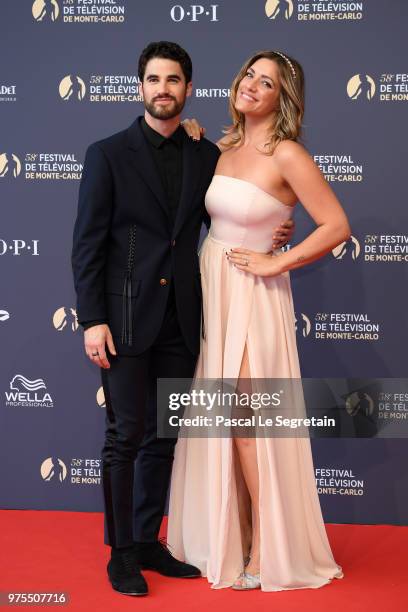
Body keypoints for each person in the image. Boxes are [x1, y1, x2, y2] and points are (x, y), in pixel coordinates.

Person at [71, 41, 294, 597]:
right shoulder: (108, 153)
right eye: (153, 79)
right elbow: (87, 246)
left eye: (174, 80)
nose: (163, 89)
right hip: (122, 320)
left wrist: (278, 233)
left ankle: (149, 539)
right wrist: (91, 319)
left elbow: (239, 209)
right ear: (140, 87)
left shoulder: (205, 155)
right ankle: (121, 553)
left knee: (163, 438)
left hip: (185, 320)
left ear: (189, 90)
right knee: (125, 436)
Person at [167, 50, 351, 591]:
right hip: (213, 293)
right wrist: (194, 135)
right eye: (250, 74)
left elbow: (336, 224)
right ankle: (237, 539)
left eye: (266, 82)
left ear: (282, 99)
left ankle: (268, 550)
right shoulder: (220, 147)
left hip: (254, 297)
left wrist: (278, 259)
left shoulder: (288, 153)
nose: (252, 85)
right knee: (223, 427)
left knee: (249, 425)